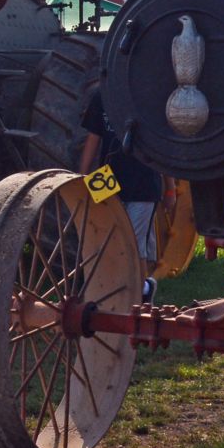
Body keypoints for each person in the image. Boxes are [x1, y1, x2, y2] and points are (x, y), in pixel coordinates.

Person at [79, 87, 163, 296]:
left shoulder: (151, 96)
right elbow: (93, 138)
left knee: (134, 244)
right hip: (106, 179)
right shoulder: (102, 94)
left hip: (144, 180)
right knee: (105, 239)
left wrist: (169, 189)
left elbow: (162, 147)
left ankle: (139, 293)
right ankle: (108, 292)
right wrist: (81, 177)